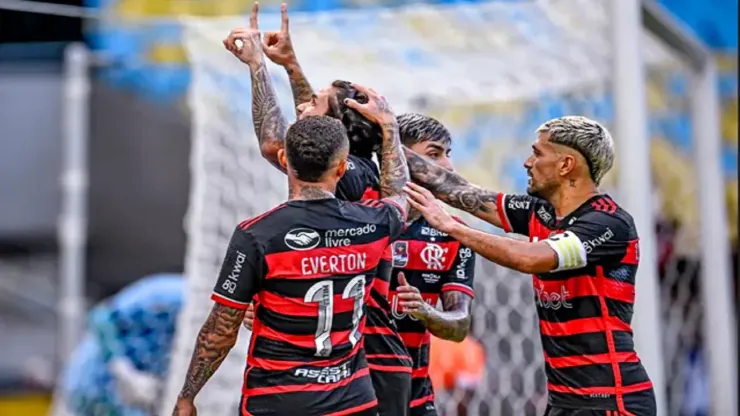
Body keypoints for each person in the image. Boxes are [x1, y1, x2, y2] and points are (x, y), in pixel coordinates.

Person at [172, 88, 411, 415]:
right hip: (353, 402)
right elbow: (399, 194)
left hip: (279, 401)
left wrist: (188, 396)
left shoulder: (257, 235)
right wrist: (389, 127)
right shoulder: (375, 224)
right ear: (341, 169)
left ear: (284, 160)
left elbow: (221, 329)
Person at [223, 5, 412, 415]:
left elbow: (276, 143)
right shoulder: (358, 171)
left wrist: (258, 66)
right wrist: (290, 65)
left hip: (363, 365)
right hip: (358, 358)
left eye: (315, 102)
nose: (304, 105)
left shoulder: (348, 175)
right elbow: (312, 131)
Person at [403, 116, 656, 416]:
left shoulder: (608, 223)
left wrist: (452, 227)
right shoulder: (541, 213)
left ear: (565, 165)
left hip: (611, 401)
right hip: (563, 401)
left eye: (537, 154)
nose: (527, 162)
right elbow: (457, 190)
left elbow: (531, 258)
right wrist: (387, 135)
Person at [58, 274, 184, 416]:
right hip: (89, 389)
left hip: (129, 407)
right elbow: (102, 317)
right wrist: (123, 370)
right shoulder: (169, 295)